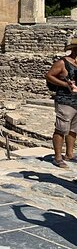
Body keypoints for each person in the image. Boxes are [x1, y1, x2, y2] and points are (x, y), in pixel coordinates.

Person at [46, 37, 77, 168]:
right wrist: (65, 84)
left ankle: (69, 154)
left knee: (74, 129)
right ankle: (58, 157)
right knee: (61, 129)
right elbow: (49, 76)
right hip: (65, 100)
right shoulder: (63, 63)